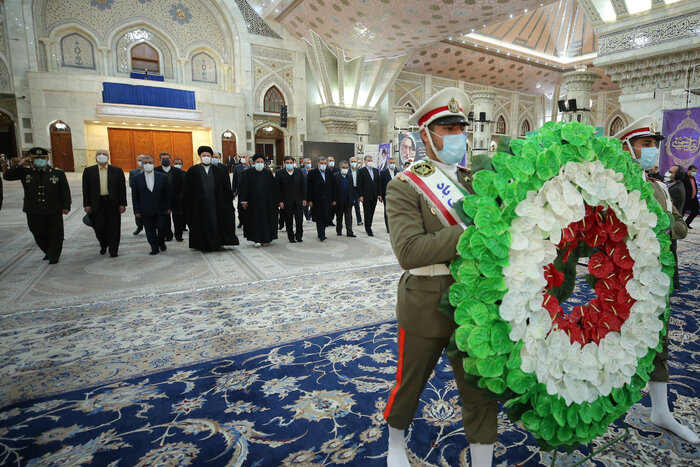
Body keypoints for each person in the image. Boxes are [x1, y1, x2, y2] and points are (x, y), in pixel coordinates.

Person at [383, 88, 498, 467]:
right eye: (447, 129)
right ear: (427, 134)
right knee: (410, 382)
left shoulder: (473, 179)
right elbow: (409, 252)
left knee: (479, 388)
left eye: (460, 128)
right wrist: (471, 228)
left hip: (474, 300)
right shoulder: (404, 185)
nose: (457, 137)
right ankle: (395, 443)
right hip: (426, 299)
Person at [614, 116, 698, 444]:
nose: (652, 151)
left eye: (654, 145)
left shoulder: (660, 188)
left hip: (656, 280)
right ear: (628, 147)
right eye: (646, 145)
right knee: (610, 346)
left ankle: (661, 411)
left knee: (657, 344)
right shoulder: (614, 186)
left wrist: (655, 223)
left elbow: (680, 227)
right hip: (621, 282)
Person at [3, 147, 71, 264]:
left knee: (56, 233)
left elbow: (64, 191)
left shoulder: (57, 172)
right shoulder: (26, 171)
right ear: (31, 159)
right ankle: (49, 251)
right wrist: (20, 163)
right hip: (33, 209)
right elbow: (7, 176)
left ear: (47, 158)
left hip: (53, 208)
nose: (40, 160)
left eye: (42, 157)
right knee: (38, 232)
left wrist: (66, 206)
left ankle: (54, 255)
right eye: (36, 158)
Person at [183, 145, 239, 252]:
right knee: (201, 224)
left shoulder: (218, 171)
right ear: (200, 156)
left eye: (208, 155)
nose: (206, 157)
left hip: (216, 203)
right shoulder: (193, 170)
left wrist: (228, 198)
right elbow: (187, 189)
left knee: (217, 223)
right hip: (200, 204)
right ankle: (204, 244)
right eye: (204, 155)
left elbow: (225, 187)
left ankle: (217, 243)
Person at [82, 149, 126, 257]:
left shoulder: (117, 170)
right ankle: (103, 244)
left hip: (112, 203)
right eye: (99, 154)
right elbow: (85, 189)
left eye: (104, 154)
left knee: (114, 227)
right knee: (99, 227)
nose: (102, 156)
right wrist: (86, 204)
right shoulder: (89, 171)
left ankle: (113, 250)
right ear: (95, 157)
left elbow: (122, 188)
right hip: (97, 204)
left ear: (108, 157)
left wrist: (122, 203)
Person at [131, 156, 171, 255]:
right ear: (142, 164)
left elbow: (168, 194)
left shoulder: (162, 177)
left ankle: (161, 242)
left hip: (161, 209)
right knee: (149, 230)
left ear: (153, 163)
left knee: (162, 227)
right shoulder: (136, 178)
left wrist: (169, 207)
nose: (148, 164)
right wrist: (136, 211)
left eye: (150, 162)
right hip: (145, 209)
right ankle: (154, 247)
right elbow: (134, 196)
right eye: (145, 163)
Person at [239, 154, 279, 247]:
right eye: (258, 162)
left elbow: (273, 188)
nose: (260, 164)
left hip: (266, 203)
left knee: (266, 220)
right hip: (253, 202)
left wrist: (275, 200)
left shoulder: (268, 173)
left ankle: (266, 239)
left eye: (261, 162)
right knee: (255, 220)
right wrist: (244, 200)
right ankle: (256, 239)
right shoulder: (248, 173)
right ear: (254, 162)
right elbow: (244, 187)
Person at [155, 152, 186, 242]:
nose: (165, 160)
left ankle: (178, 235)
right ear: (160, 160)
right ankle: (168, 235)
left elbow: (181, 185)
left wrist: (181, 196)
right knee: (165, 219)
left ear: (170, 159)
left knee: (178, 219)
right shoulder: (156, 170)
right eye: (163, 158)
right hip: (163, 200)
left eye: (167, 158)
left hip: (176, 200)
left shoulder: (176, 171)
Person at [276, 155, 306, 243]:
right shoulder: (279, 173)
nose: (289, 164)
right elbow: (278, 189)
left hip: (298, 200)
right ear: (284, 163)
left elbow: (303, 186)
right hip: (286, 201)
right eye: (287, 163)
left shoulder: (299, 172)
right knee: (289, 220)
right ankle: (291, 237)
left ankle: (299, 236)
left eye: (291, 163)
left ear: (294, 163)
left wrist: (304, 198)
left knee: (299, 219)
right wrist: (280, 201)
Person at [666, 164, 686, 290]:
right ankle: (674, 282)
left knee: (671, 254)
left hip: (671, 224)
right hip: (671, 223)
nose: (668, 173)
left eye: (671, 172)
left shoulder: (676, 189)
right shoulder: (674, 186)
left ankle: (674, 282)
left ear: (677, 175)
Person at [306, 157, 335, 241]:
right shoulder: (312, 173)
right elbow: (309, 187)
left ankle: (322, 231)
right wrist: (310, 200)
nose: (323, 165)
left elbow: (333, 186)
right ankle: (321, 234)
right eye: (321, 163)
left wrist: (334, 199)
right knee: (319, 218)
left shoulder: (329, 172)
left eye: (325, 163)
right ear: (318, 163)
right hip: (317, 200)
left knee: (326, 218)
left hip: (328, 200)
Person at [357, 155, 380, 236]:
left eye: (371, 160)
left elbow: (378, 183)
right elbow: (359, 184)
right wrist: (360, 195)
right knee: (367, 212)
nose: (370, 162)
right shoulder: (361, 171)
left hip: (374, 195)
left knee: (372, 212)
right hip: (366, 196)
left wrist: (379, 194)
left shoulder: (376, 170)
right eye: (368, 160)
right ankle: (368, 229)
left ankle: (369, 225)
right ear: (365, 161)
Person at [333, 160, 356, 237]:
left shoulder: (349, 176)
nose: (345, 169)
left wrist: (353, 199)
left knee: (349, 217)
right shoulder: (336, 176)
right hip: (339, 201)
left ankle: (349, 232)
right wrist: (334, 200)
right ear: (340, 167)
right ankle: (339, 230)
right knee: (339, 217)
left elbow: (352, 188)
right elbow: (333, 189)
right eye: (343, 167)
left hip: (348, 201)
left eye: (346, 167)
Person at [380, 157, 400, 233]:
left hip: (396, 196)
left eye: (393, 163)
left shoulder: (398, 172)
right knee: (387, 211)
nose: (392, 164)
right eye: (391, 163)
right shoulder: (383, 172)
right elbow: (381, 185)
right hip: (386, 195)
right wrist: (380, 195)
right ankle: (388, 227)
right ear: (388, 163)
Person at [129, 155, 147, 235]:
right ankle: (139, 227)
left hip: (150, 195)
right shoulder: (133, 172)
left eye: (142, 160)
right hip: (139, 196)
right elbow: (131, 184)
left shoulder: (151, 170)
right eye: (139, 160)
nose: (141, 161)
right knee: (138, 213)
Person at [232, 153, 250, 229]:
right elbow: (234, 180)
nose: (242, 158)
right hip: (240, 191)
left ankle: (249, 222)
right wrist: (234, 190)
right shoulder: (237, 168)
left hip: (250, 191)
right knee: (240, 208)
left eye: (244, 157)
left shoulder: (252, 167)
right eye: (241, 157)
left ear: (248, 158)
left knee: (249, 208)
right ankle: (241, 222)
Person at [349, 157, 363, 226]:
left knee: (357, 206)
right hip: (350, 190)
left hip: (357, 190)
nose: (353, 163)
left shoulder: (359, 171)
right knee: (349, 207)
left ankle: (359, 220)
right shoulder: (348, 170)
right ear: (350, 162)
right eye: (352, 162)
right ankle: (349, 221)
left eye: (354, 161)